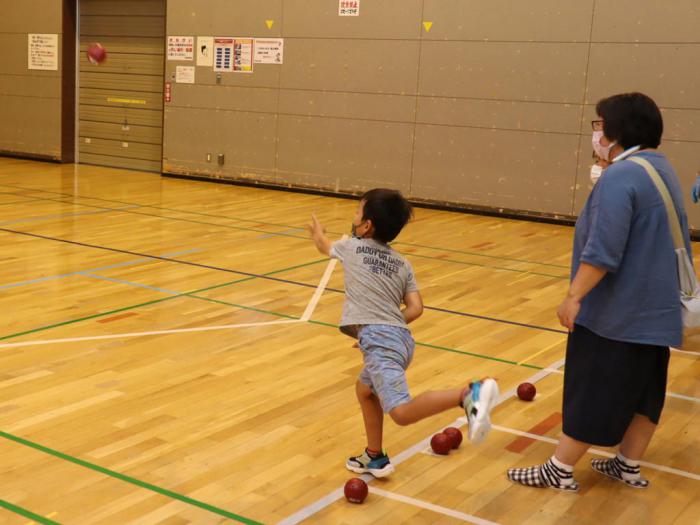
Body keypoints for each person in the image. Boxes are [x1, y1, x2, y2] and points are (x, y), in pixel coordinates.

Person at [508, 92, 691, 491]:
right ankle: (627, 464)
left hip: (617, 315)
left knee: (593, 390)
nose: (597, 132)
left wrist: (573, 295)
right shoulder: (660, 167)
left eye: (601, 125)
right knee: (645, 392)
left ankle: (559, 469)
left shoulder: (622, 176)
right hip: (655, 312)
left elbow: (604, 250)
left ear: (618, 131)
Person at [307, 188, 499, 477]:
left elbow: (324, 246)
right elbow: (416, 307)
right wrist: (383, 325)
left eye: (358, 212)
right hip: (401, 339)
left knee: (401, 413)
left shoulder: (352, 248)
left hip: (380, 340)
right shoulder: (402, 264)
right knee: (365, 391)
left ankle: (468, 394)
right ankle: (374, 456)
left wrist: (318, 234)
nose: (354, 217)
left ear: (367, 225)